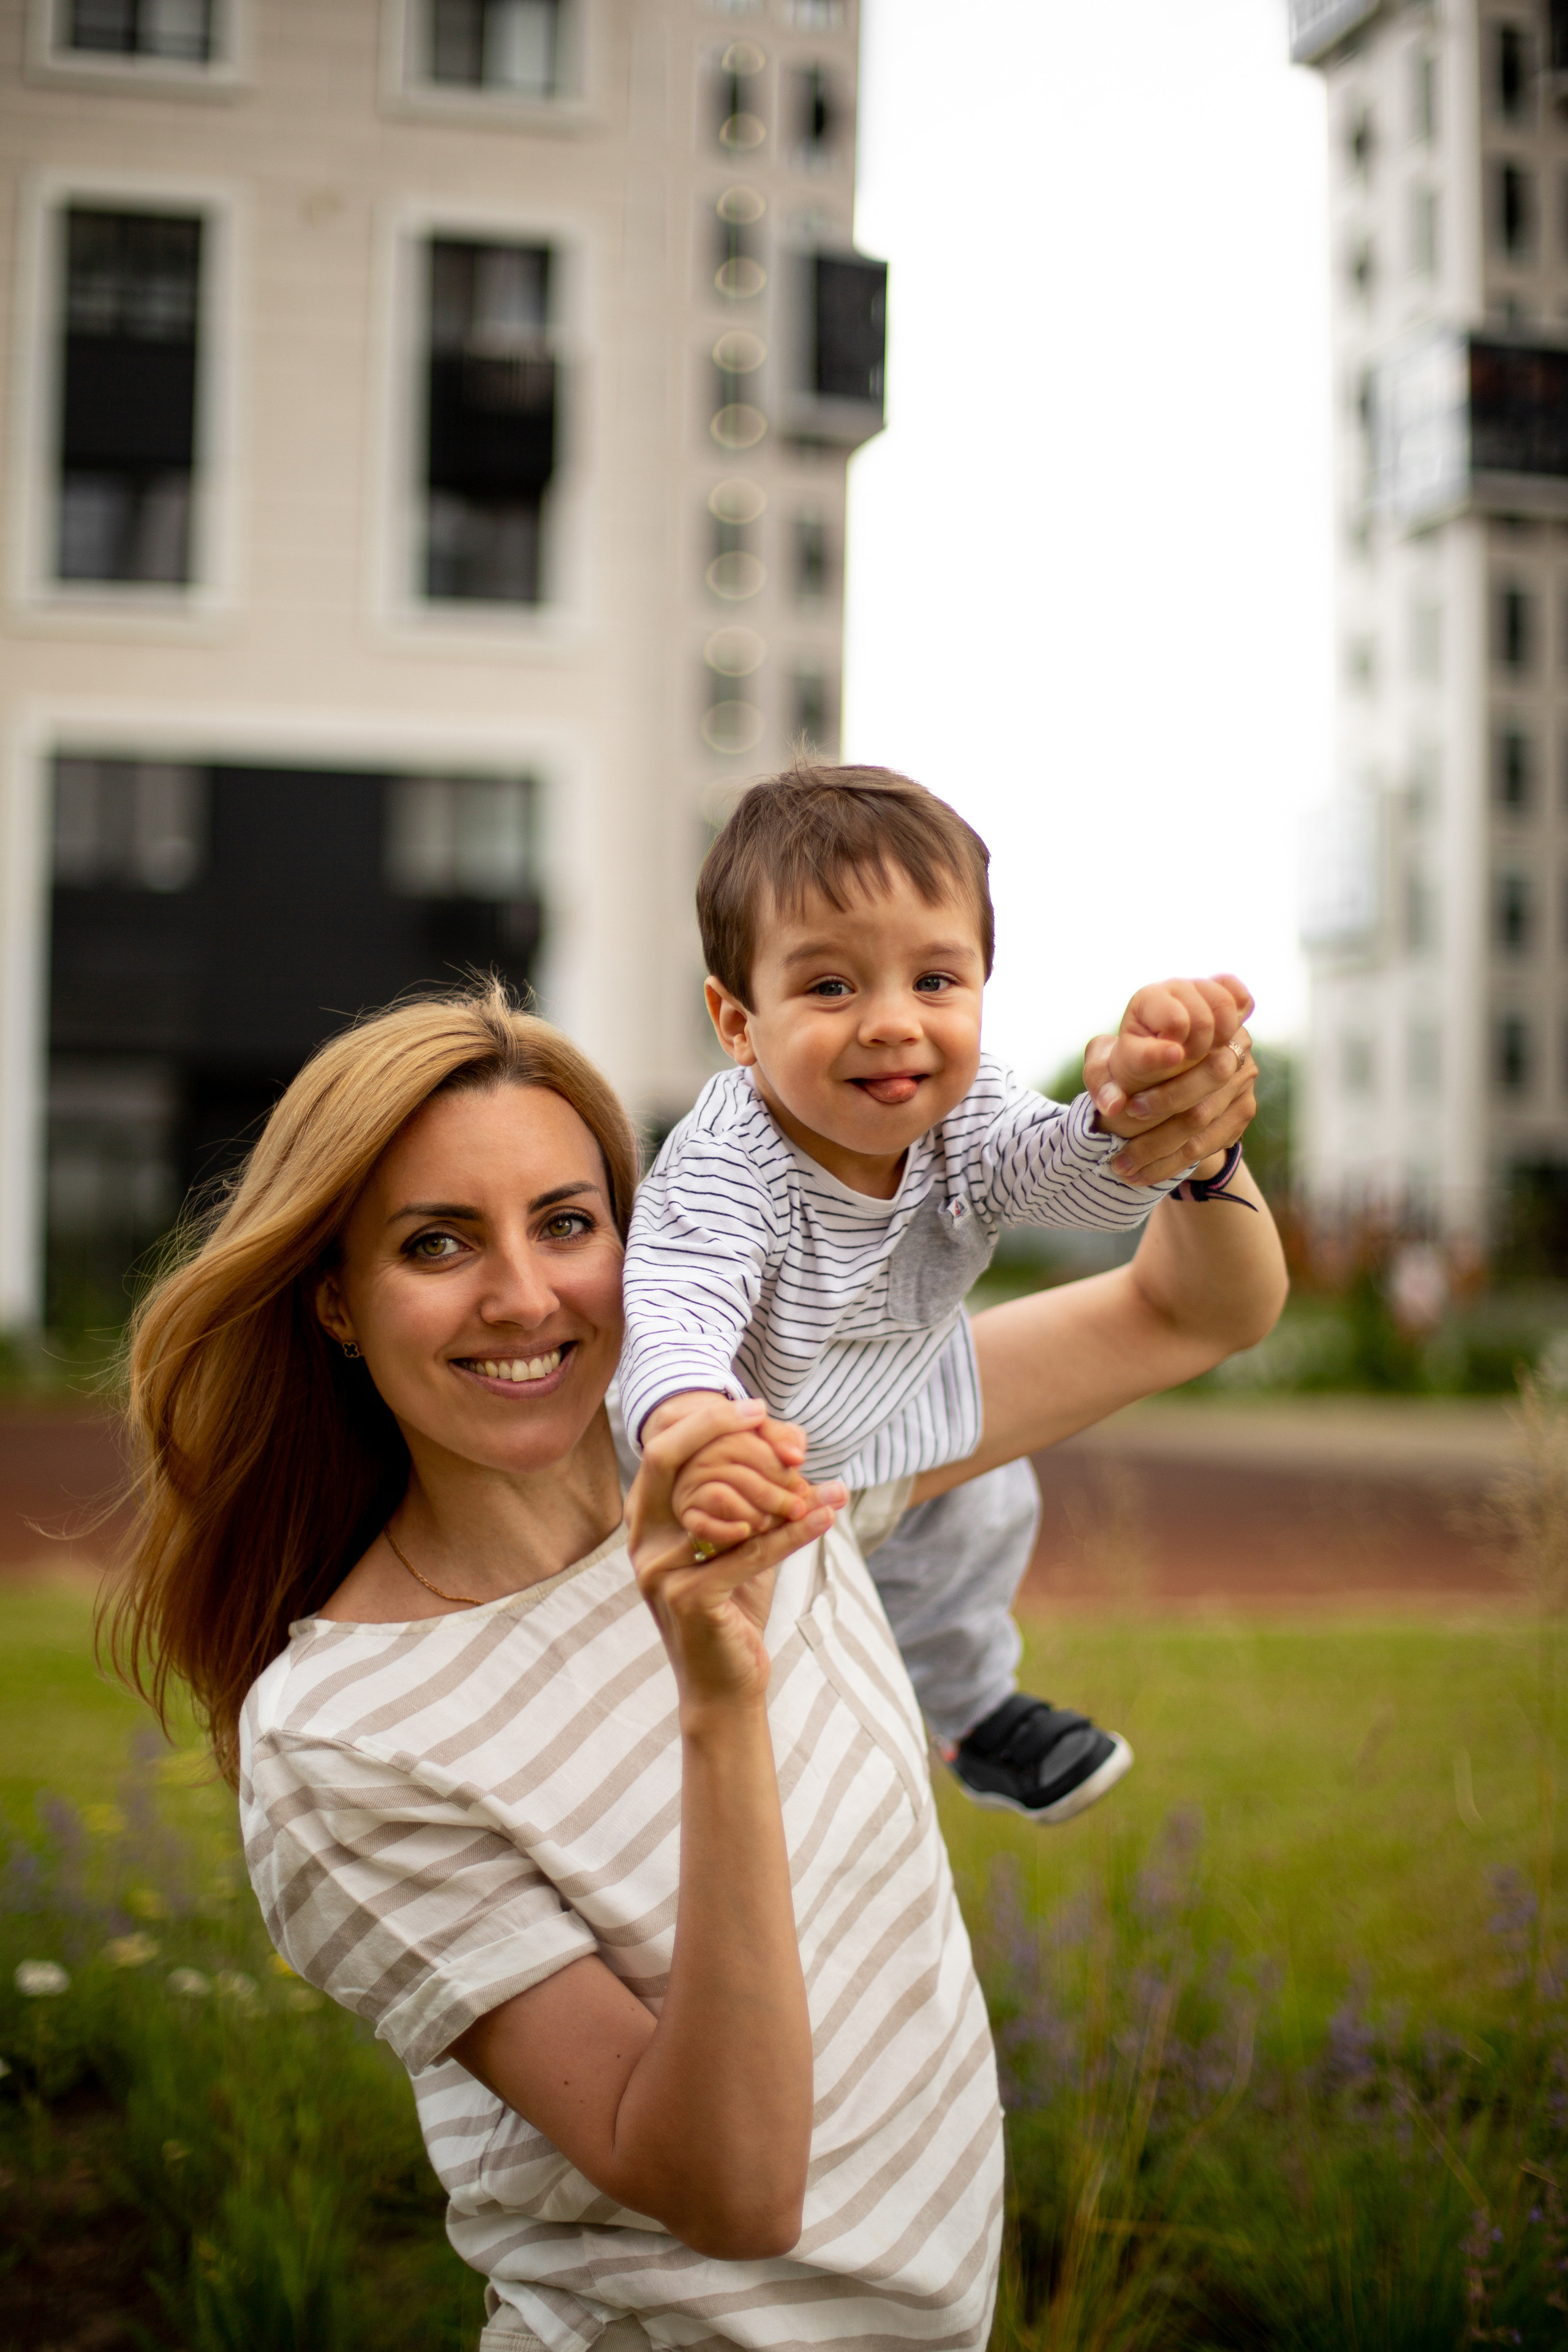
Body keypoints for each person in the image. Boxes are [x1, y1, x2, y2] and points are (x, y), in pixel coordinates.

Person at [112, 983, 1281, 2352]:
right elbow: (728, 2191)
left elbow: (1189, 1312)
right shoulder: (346, 1735)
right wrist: (719, 1706)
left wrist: (1188, 1144)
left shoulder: (781, 1444)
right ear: (335, 1303)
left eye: (565, 1223)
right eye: (436, 1243)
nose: (521, 1295)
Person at [619, 763, 1255, 1823]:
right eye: (830, 987)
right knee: (731, 1666)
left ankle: (969, 1710)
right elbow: (676, 1303)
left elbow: (1068, 1186)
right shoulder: (731, 1159)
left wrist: (1128, 1111)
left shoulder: (971, 1110)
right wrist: (692, 1424)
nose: (890, 1023)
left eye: (935, 982)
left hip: (887, 1392)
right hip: (740, 1444)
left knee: (989, 1496)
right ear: (738, 1023)